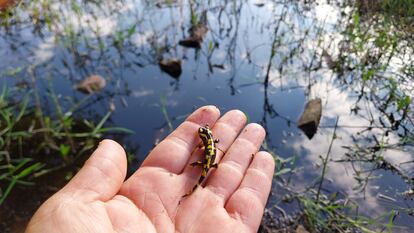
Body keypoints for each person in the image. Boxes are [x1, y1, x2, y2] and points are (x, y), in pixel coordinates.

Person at [25, 106, 275, 233]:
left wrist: (199, 164)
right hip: (210, 163)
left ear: (205, 135)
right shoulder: (209, 141)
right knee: (205, 164)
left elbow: (207, 146)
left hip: (208, 163)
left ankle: (198, 183)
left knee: (204, 165)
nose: (203, 135)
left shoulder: (206, 142)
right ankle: (198, 182)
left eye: (203, 133)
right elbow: (210, 145)